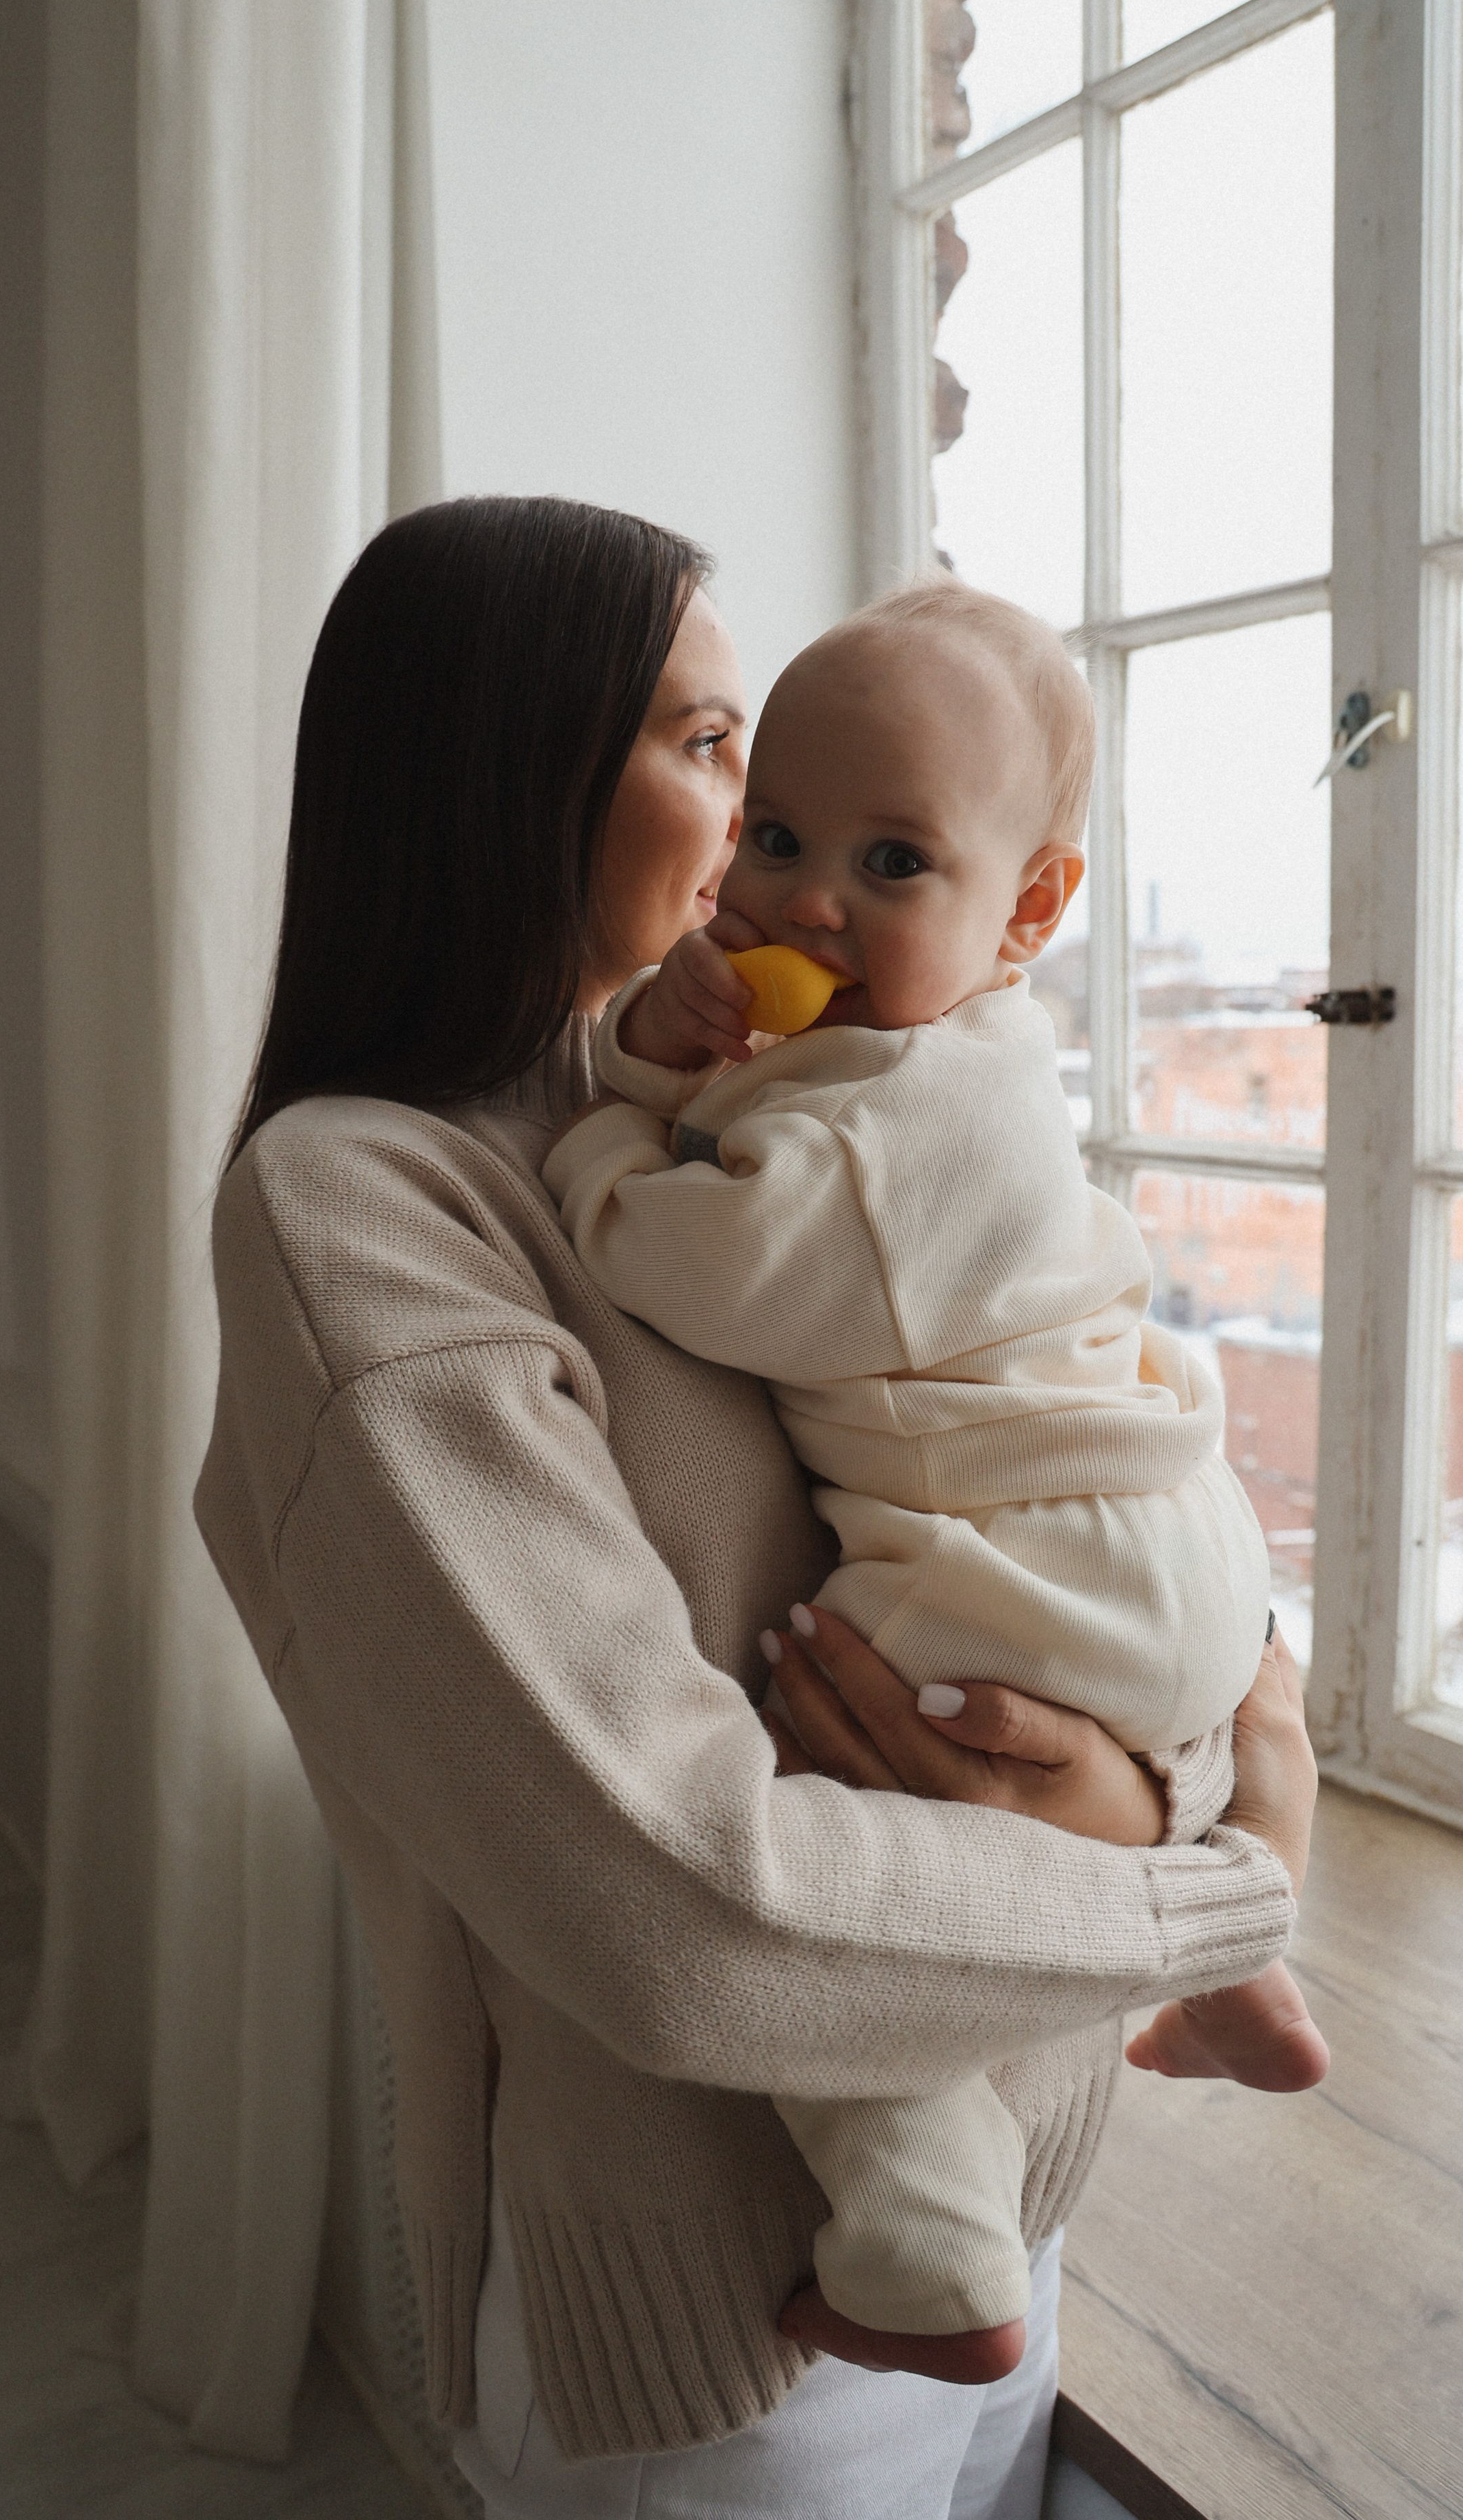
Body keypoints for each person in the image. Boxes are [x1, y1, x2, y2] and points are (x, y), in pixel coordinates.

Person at [194, 497, 1318, 2520]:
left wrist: (1150, 1794)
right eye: (722, 760)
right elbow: (675, 1905)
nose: (767, 843)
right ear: (507, 766)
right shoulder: (370, 1203)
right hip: (734, 2353)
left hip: (1015, 2175)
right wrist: (1214, 1890)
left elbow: (1080, 1455)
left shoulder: (791, 1101)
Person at [542, 569, 1330, 2363]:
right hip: (1165, 1549)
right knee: (1104, 1763)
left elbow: (697, 1263)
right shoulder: (938, 1051)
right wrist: (670, 1044)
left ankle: (924, 2247)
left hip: (1036, 1571)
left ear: (1031, 911)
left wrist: (606, 1120)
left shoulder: (903, 1131)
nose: (806, 900)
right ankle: (1228, 1974)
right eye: (782, 837)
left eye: (895, 865)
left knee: (844, 1883)